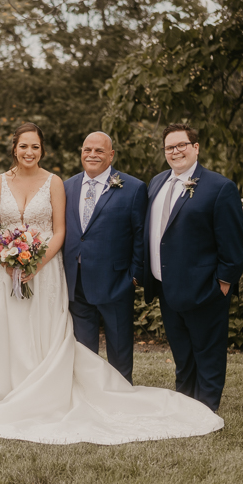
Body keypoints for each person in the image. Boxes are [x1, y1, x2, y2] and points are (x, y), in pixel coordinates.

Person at [0, 123, 223, 445]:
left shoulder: (84, 184)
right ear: (14, 149)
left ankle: (118, 396)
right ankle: (7, 392)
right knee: (8, 332)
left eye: (35, 147)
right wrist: (7, 259)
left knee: (83, 341)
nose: (29, 152)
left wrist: (35, 263)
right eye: (23, 146)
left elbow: (98, 234)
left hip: (62, 273)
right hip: (23, 275)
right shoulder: (28, 184)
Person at [143, 123, 243, 412]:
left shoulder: (219, 187)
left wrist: (223, 282)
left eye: (181, 145)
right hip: (166, 287)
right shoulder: (157, 182)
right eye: (169, 147)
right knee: (183, 354)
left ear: (195, 147)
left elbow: (233, 243)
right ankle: (185, 404)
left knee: (208, 353)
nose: (175, 152)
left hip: (205, 289)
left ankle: (206, 409)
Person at [62, 131, 146, 383]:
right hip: (76, 281)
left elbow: (140, 234)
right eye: (87, 150)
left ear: (111, 155)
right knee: (84, 348)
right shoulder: (67, 186)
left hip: (116, 281)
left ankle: (121, 392)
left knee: (119, 346)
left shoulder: (133, 187)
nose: (92, 155)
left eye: (99, 151)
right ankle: (89, 392)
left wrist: (134, 275)